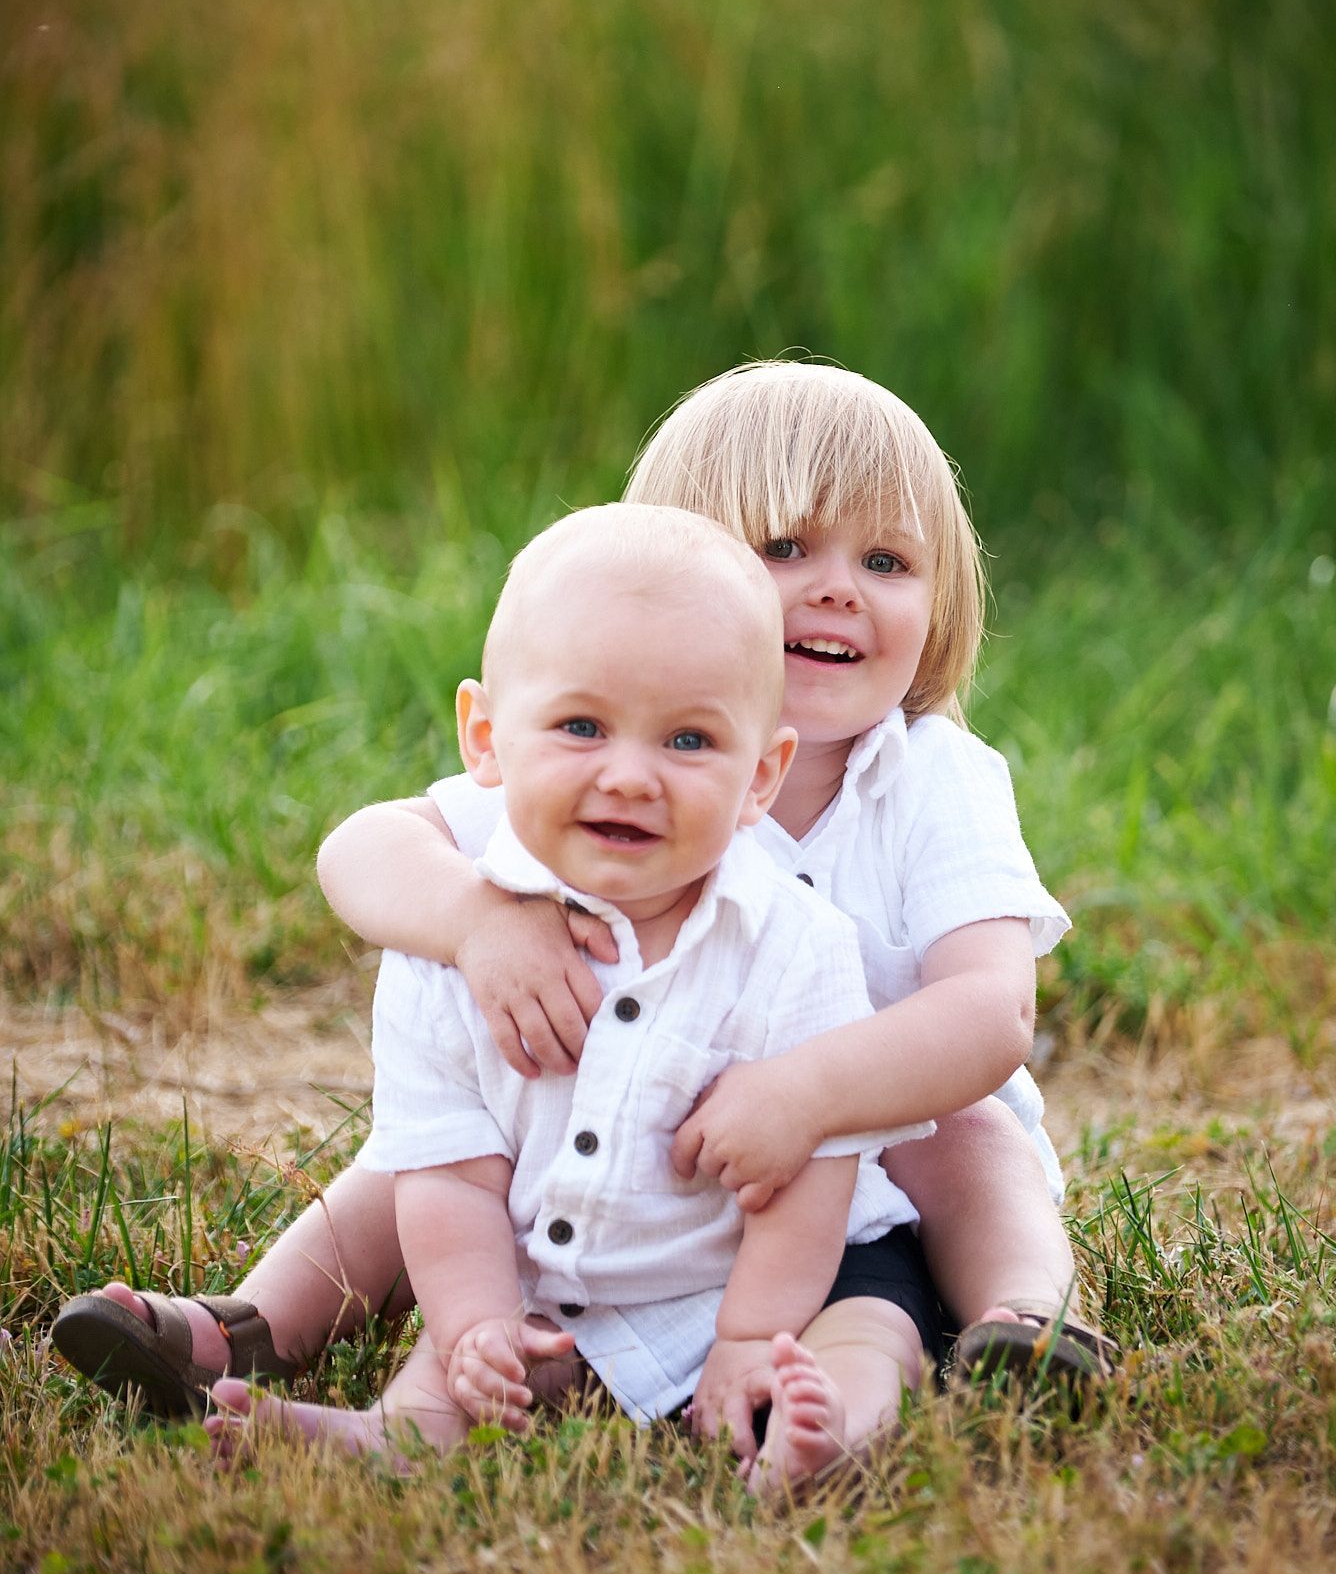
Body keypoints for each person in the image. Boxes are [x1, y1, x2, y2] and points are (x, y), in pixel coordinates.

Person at [55, 360, 1115, 1431]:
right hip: (620, 1151)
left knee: (968, 1124)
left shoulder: (930, 777)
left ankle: (1025, 1316)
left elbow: (992, 1012)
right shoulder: (601, 767)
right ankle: (244, 1324)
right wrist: (480, 919)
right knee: (429, 1146)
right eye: (786, 547)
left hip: (860, 1162)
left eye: (886, 560)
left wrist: (808, 1095)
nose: (839, 585)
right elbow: (362, 850)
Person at [71, 503, 940, 1489]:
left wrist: (748, 1333)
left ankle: (808, 1446)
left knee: (842, 1354)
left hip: (731, 1290)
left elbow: (810, 1175)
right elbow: (448, 1171)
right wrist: (477, 1320)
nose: (629, 774)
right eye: (581, 725)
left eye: (690, 741)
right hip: (533, 1283)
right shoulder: (454, 946)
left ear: (761, 776)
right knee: (460, 1378)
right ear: (484, 735)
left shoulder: (793, 947)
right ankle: (370, 1438)